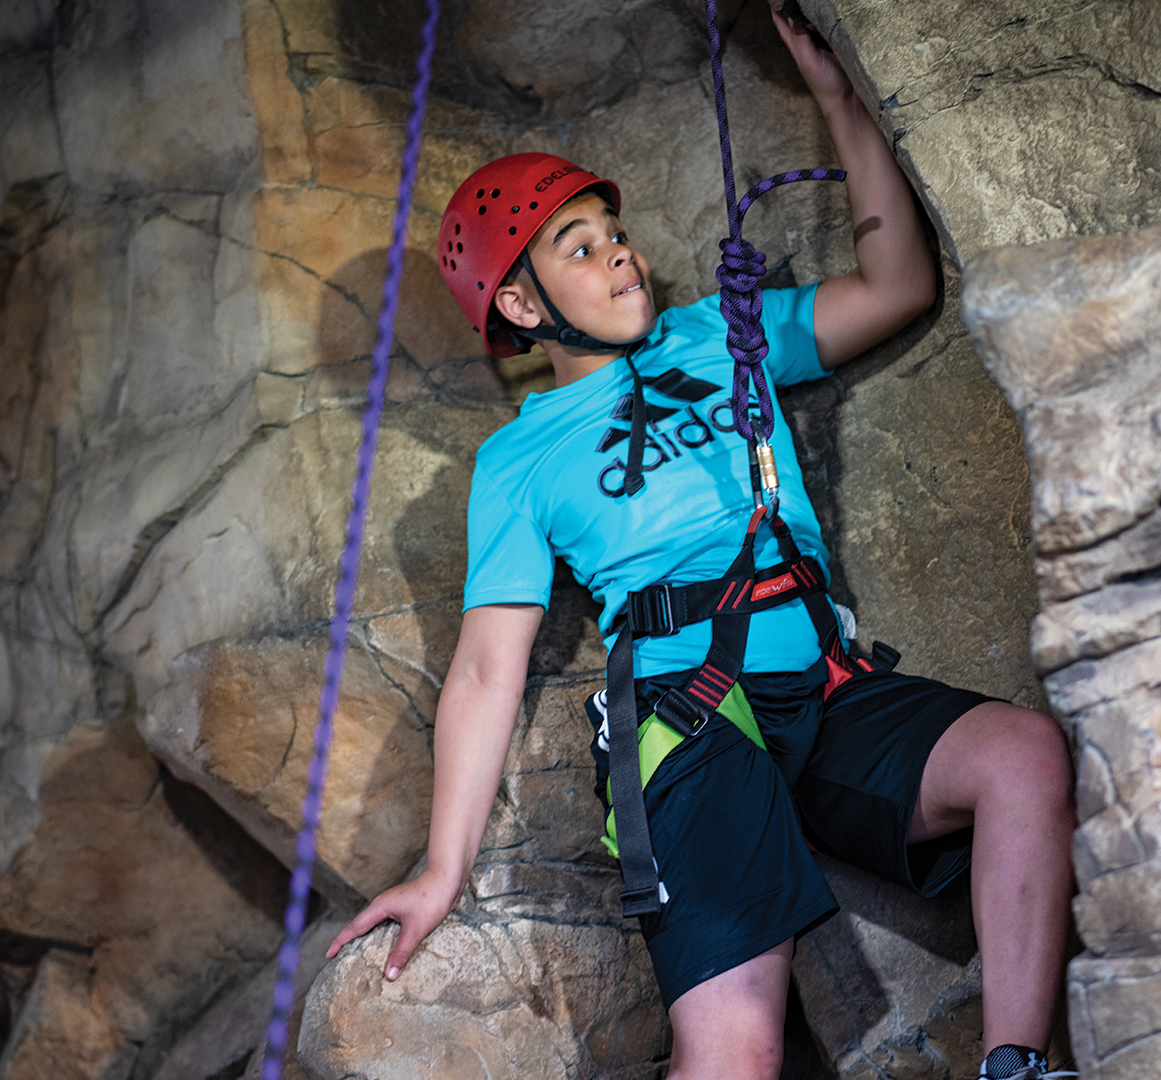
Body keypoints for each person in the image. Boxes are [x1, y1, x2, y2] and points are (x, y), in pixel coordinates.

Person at [328, 13, 1075, 1080]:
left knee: (1022, 757)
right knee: (734, 1055)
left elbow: (899, 288)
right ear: (523, 304)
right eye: (579, 248)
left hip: (823, 684)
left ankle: (1017, 1064)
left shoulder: (723, 335)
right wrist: (443, 866)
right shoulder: (519, 461)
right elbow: (490, 665)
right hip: (690, 721)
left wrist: (844, 106)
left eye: (611, 231)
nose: (619, 251)